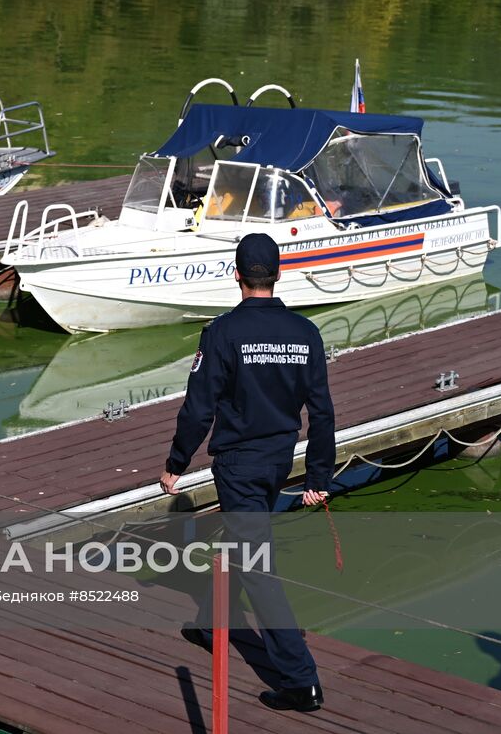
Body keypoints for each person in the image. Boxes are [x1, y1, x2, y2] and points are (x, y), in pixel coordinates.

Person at [158, 232, 336, 713]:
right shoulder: (306, 333)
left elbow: (198, 408)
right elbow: (321, 412)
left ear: (236, 274)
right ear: (277, 274)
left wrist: (176, 463)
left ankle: (302, 681)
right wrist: (319, 476)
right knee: (243, 542)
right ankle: (210, 625)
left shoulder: (222, 333)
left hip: (238, 465)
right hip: (280, 461)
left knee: (257, 568)